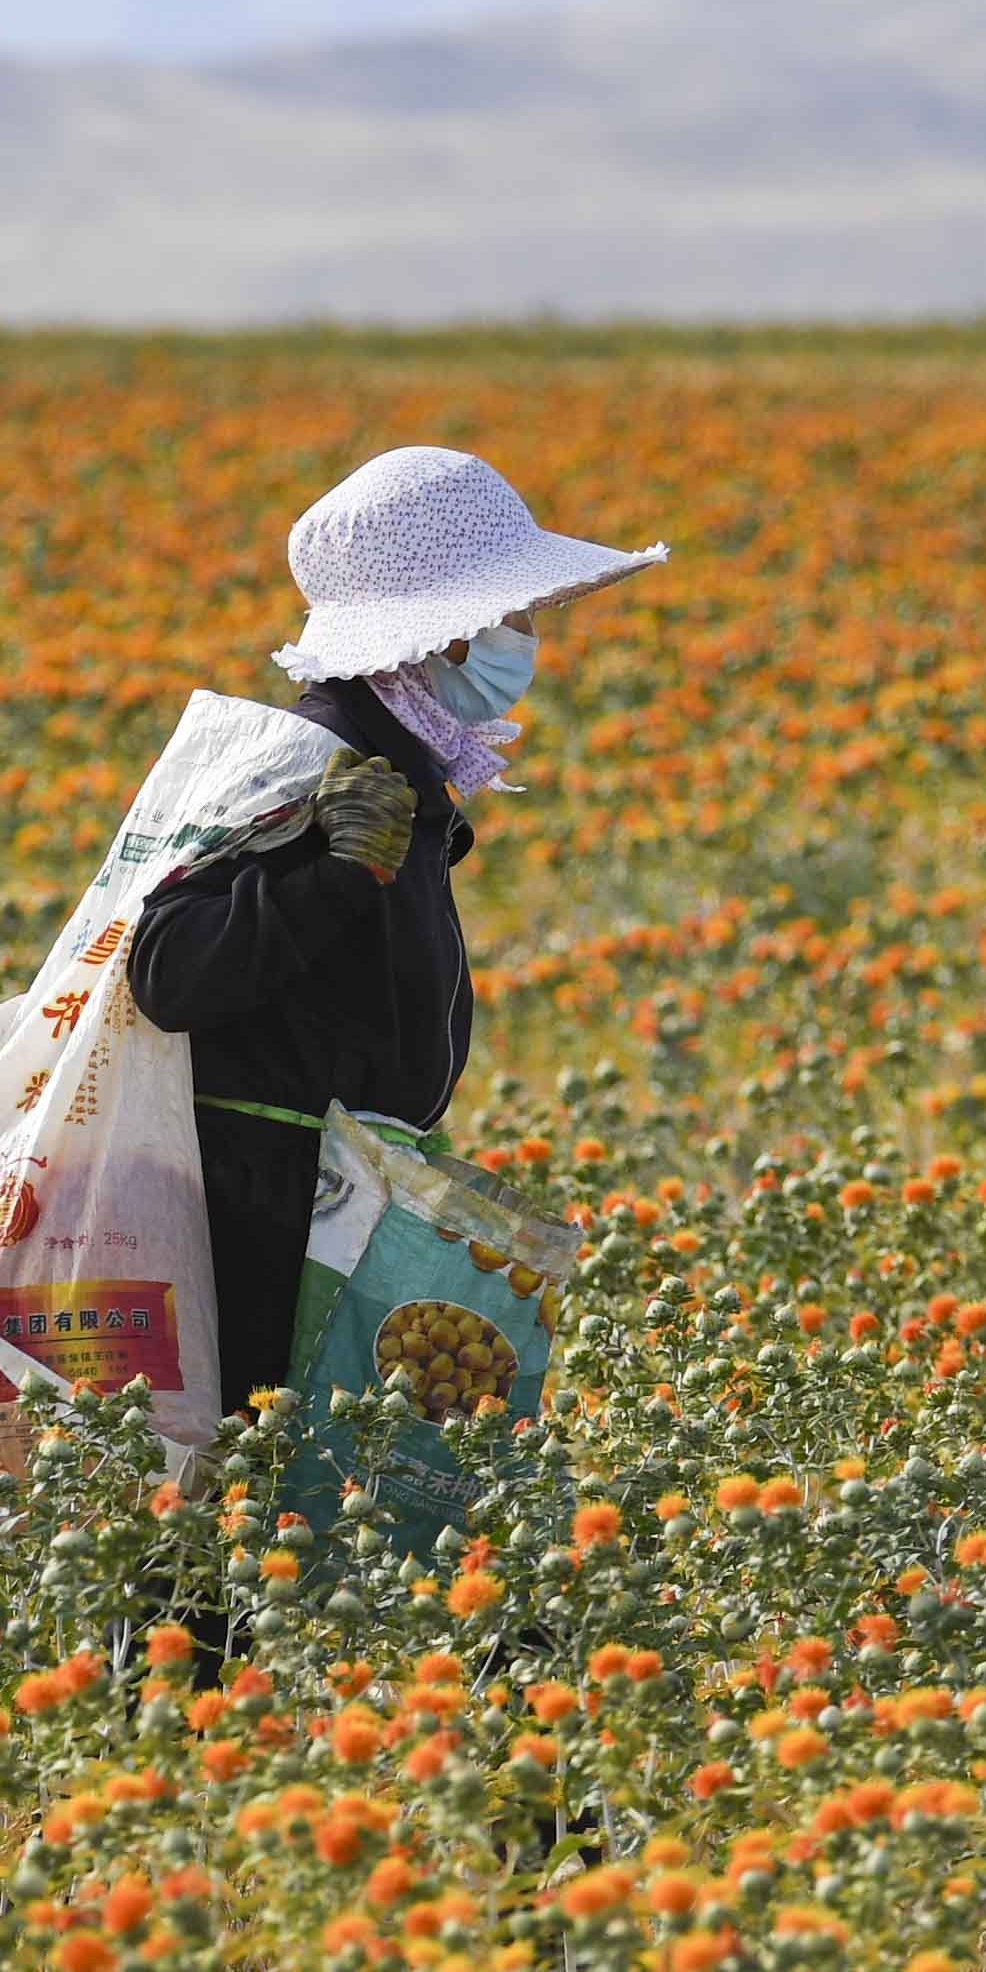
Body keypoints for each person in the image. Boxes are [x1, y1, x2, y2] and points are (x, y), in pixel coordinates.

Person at [127, 442, 656, 1446]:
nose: (530, 638)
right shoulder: (318, 765)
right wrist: (331, 873)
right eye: (513, 614)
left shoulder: (395, 768)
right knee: (245, 1506)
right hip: (258, 1219)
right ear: (446, 636)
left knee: (324, 1507)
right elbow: (169, 971)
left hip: (341, 1196)